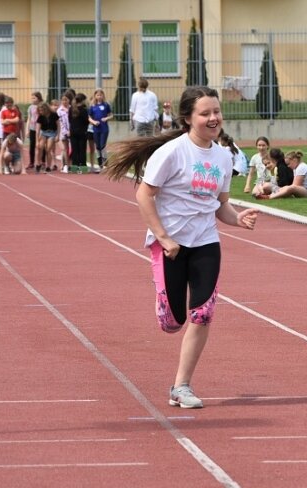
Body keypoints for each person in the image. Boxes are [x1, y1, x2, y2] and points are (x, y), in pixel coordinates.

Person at [104, 85, 259, 409]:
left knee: (203, 313)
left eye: (217, 112)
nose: (214, 118)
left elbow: (220, 205)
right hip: (170, 245)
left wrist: (237, 218)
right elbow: (144, 195)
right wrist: (162, 237)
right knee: (172, 322)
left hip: (206, 242)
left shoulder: (222, 156)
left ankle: (181, 386)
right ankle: (167, 307)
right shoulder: (172, 152)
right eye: (206, 113)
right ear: (188, 118)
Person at [88, 89, 112, 172]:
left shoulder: (106, 105)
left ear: (103, 96)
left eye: (101, 95)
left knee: (102, 146)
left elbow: (111, 115)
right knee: (97, 147)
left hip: (104, 129)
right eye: (97, 95)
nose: (99, 96)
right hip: (96, 129)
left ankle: (105, 164)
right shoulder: (92, 106)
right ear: (95, 96)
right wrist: (94, 122)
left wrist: (106, 118)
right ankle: (100, 165)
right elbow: (89, 117)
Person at [35, 102, 59, 173]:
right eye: (39, 110)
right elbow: (38, 129)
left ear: (46, 109)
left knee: (48, 149)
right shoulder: (40, 116)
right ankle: (38, 164)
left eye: (42, 110)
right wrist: (37, 141)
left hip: (52, 133)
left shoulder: (54, 114)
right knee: (40, 147)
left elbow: (58, 125)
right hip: (44, 133)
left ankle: (48, 166)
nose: (40, 112)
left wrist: (58, 135)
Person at [69, 92, 90, 174]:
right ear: (83, 100)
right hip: (82, 132)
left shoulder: (71, 109)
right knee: (82, 150)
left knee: (75, 150)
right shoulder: (84, 110)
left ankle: (75, 166)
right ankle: (83, 166)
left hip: (73, 131)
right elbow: (86, 121)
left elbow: (69, 120)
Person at [26, 92, 43, 170]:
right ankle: (31, 162)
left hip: (41, 129)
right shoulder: (30, 107)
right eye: (32, 98)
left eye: (34, 98)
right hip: (32, 128)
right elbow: (29, 119)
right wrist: (27, 130)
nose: (32, 99)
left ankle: (42, 161)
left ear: (39, 98)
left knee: (41, 146)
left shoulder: (42, 106)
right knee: (32, 145)